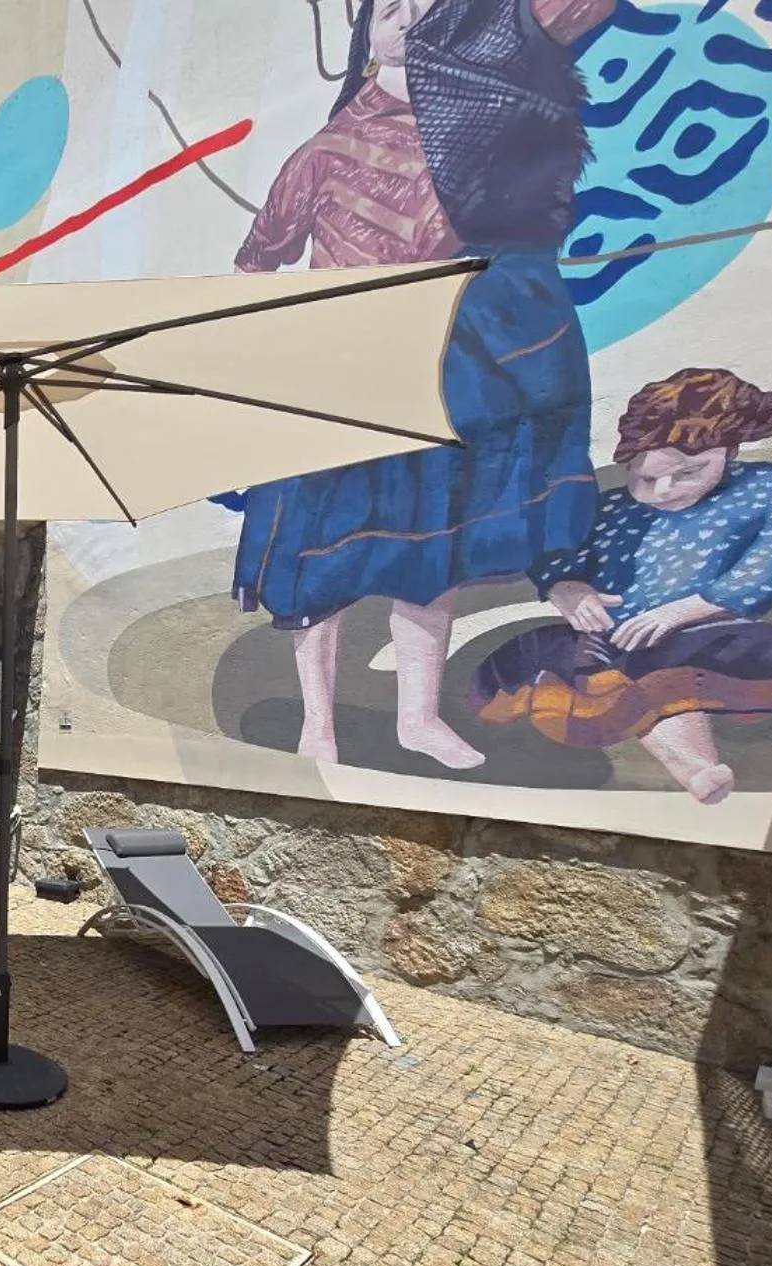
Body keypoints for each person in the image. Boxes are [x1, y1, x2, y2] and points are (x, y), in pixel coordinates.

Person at [231, 0, 612, 769]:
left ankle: (416, 718)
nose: (405, 16)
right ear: (366, 39)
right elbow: (256, 260)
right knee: (321, 558)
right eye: (388, 9)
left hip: (436, 372)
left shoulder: (482, 137)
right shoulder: (326, 148)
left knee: (432, 552)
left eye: (423, 6)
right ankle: (318, 725)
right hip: (337, 377)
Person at [469, 369, 772, 803]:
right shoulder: (612, 506)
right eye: (646, 478)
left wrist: (687, 609)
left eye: (689, 472)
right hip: (613, 642)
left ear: (728, 450)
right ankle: (697, 768)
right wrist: (566, 587)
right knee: (637, 684)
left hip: (719, 632)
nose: (664, 491)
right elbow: (555, 553)